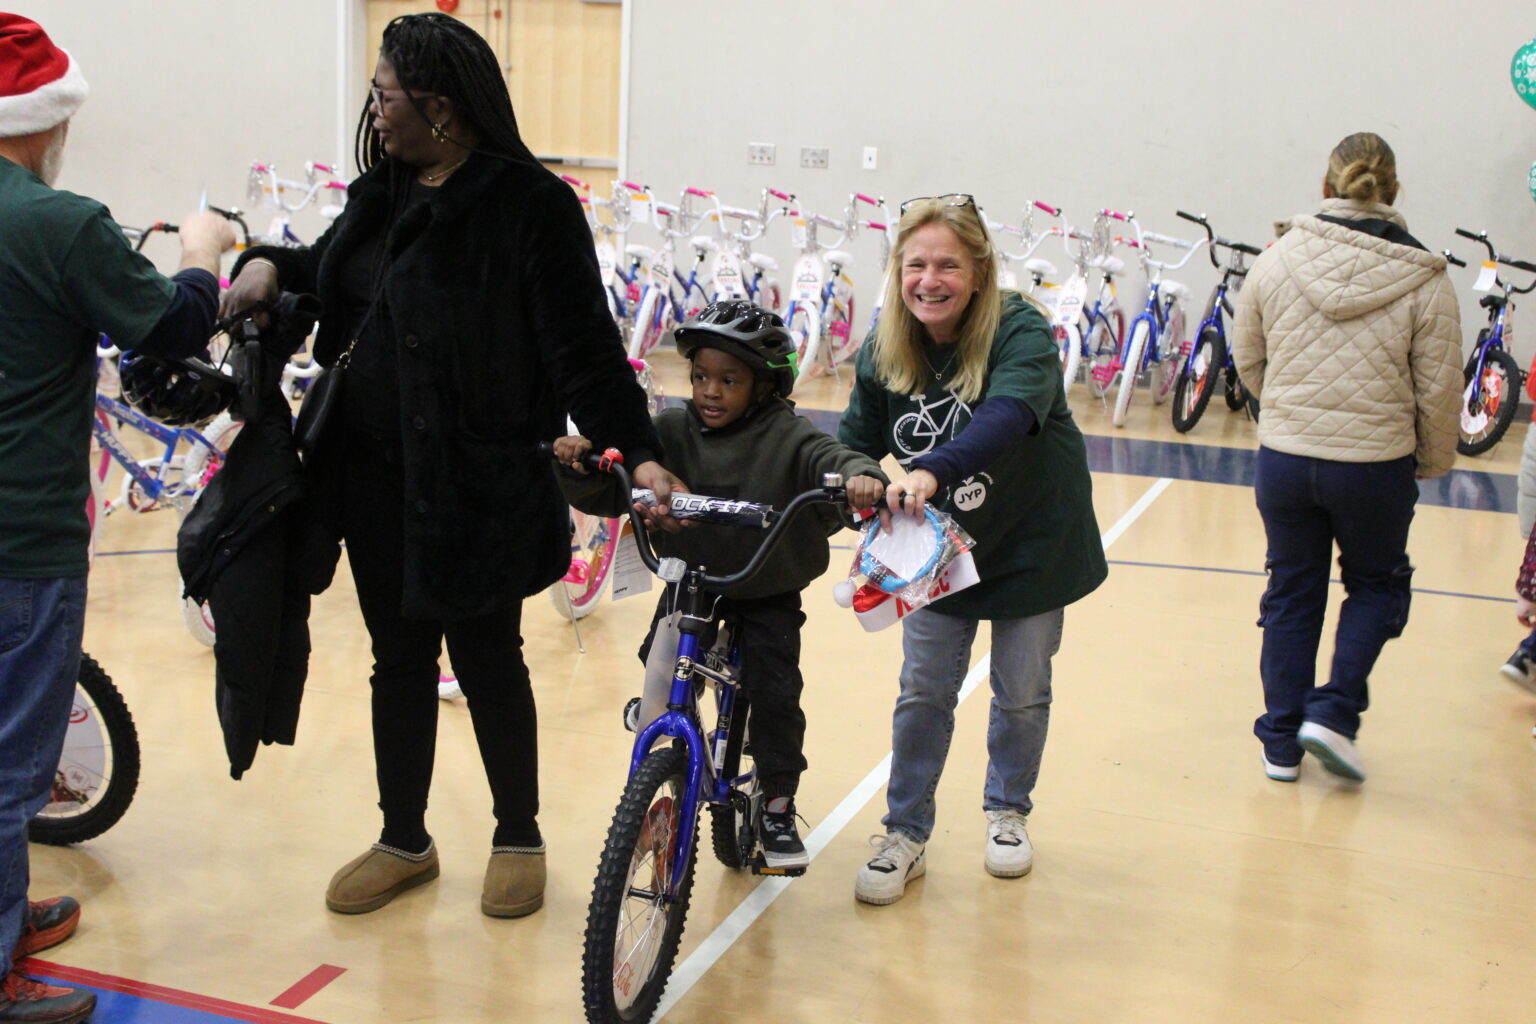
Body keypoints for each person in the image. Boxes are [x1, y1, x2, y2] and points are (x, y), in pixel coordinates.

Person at [219, 13, 680, 920]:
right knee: (397, 659)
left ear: (438, 105)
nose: (375, 111)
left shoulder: (529, 207)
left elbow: (584, 353)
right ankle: (406, 838)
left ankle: (519, 833)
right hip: (371, 477)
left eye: (386, 95)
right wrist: (269, 269)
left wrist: (647, 453)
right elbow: (330, 278)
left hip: (479, 487)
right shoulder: (380, 191)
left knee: (487, 657)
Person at [0, 13, 236, 1022]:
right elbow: (176, 320)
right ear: (46, 119)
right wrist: (203, 251)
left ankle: (7, 915)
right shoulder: (59, 224)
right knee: (14, 763)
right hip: (23, 537)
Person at [837, 195, 1107, 905]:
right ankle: (905, 833)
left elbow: (1010, 413)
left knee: (1021, 691)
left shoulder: (1021, 330)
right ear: (898, 272)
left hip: (1032, 540)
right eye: (915, 264)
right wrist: (858, 476)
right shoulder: (886, 345)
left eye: (948, 265)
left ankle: (1007, 811)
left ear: (981, 272)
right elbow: (853, 438)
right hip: (939, 551)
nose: (930, 280)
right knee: (924, 690)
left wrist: (931, 471)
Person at [554, 301, 887, 870]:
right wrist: (581, 463)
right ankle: (664, 705)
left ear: (763, 387)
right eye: (701, 376)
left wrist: (862, 477)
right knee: (663, 653)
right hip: (695, 580)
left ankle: (778, 805)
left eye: (729, 380)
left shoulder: (788, 436)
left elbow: (833, 456)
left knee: (774, 690)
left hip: (765, 585)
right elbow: (618, 483)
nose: (710, 391)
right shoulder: (671, 431)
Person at [1232, 132, 1461, 785]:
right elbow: (1440, 388)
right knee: (1379, 586)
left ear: (1327, 187)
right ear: (1393, 193)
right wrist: (1433, 461)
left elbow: (1248, 359)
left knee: (1291, 592)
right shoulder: (1426, 276)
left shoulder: (1275, 260)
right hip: (1375, 465)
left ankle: (1280, 744)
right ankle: (1333, 712)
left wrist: (1277, 414)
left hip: (1283, 461)